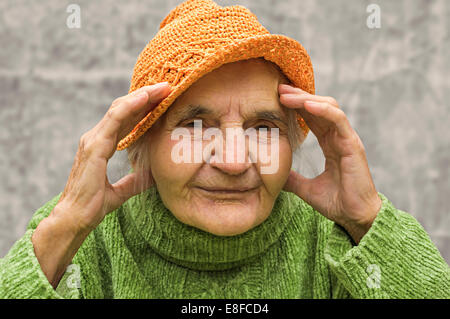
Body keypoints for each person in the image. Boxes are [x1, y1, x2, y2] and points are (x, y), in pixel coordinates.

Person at [1, 0, 449, 298]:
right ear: (143, 142)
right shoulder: (75, 240)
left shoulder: (340, 241)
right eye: (195, 126)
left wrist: (367, 217)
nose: (235, 161)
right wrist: (64, 230)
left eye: (263, 127)